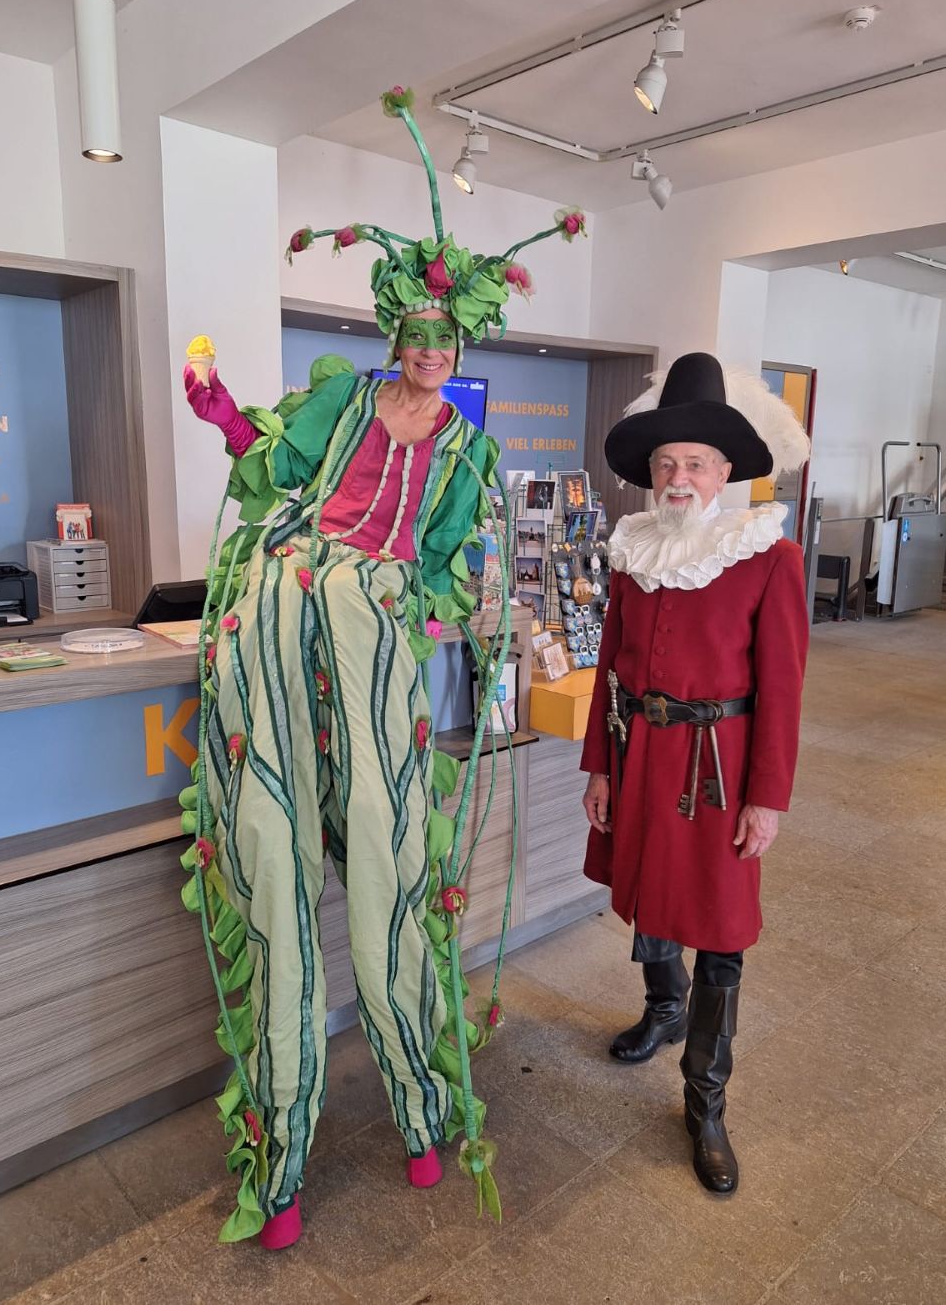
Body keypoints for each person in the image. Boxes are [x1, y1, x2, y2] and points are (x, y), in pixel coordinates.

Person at [179, 84, 587, 1249]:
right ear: (389, 338)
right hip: (278, 616)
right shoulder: (341, 402)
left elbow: (451, 560)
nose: (421, 357)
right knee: (270, 870)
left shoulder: (465, 447)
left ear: (457, 347)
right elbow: (266, 461)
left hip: (372, 649)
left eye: (438, 344)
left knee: (393, 884)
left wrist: (452, 600)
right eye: (408, 340)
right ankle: (281, 1154)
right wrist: (216, 407)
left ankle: (419, 1106)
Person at [580, 352, 810, 1196]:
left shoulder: (767, 557)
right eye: (666, 463)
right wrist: (601, 766)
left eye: (696, 463)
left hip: (717, 772)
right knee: (648, 894)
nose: (679, 476)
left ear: (724, 472)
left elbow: (783, 687)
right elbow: (611, 669)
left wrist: (769, 797)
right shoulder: (634, 551)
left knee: (719, 926)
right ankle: (662, 1006)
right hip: (640, 757)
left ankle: (706, 1100)